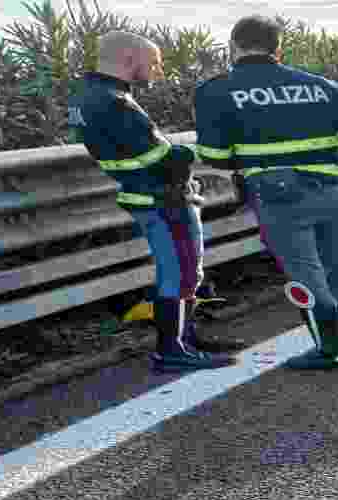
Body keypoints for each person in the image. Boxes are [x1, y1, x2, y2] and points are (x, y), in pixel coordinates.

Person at [193, 15, 338, 371]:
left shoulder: (216, 91)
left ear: (233, 47)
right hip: (331, 188)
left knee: (305, 270)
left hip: (277, 195)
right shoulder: (320, 85)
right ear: (278, 48)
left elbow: (215, 157)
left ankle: (330, 351)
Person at [67, 30, 245, 374]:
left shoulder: (88, 96)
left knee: (182, 272)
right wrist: (192, 151)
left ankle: (186, 339)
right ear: (130, 60)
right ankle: (172, 350)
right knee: (180, 273)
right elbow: (165, 158)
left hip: (146, 197)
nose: (158, 70)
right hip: (163, 199)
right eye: (154, 63)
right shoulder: (115, 102)